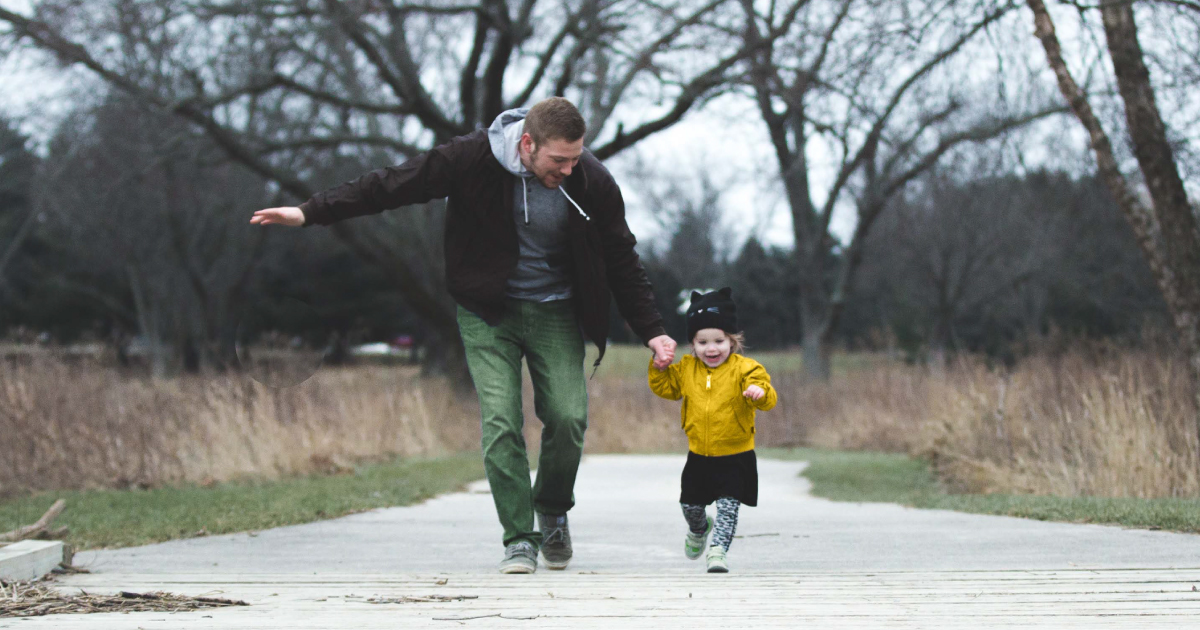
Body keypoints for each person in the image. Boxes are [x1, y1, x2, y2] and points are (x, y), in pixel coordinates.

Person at [251, 98, 677, 574]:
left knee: (568, 416)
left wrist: (653, 332)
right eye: (559, 160)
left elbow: (622, 258)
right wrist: (310, 212)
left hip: (555, 310)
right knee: (500, 421)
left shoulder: (591, 180)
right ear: (527, 143)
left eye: (576, 157)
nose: (569, 168)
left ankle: (553, 508)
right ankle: (519, 537)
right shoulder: (470, 157)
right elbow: (392, 185)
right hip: (486, 310)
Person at [647, 287, 776, 573]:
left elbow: (769, 396)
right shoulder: (686, 369)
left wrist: (759, 391)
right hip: (699, 455)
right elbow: (666, 388)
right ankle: (700, 527)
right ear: (692, 344)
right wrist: (659, 368)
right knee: (690, 506)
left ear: (732, 340)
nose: (712, 348)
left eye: (719, 340)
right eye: (702, 342)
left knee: (728, 509)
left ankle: (718, 552)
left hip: (736, 455)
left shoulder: (746, 369)